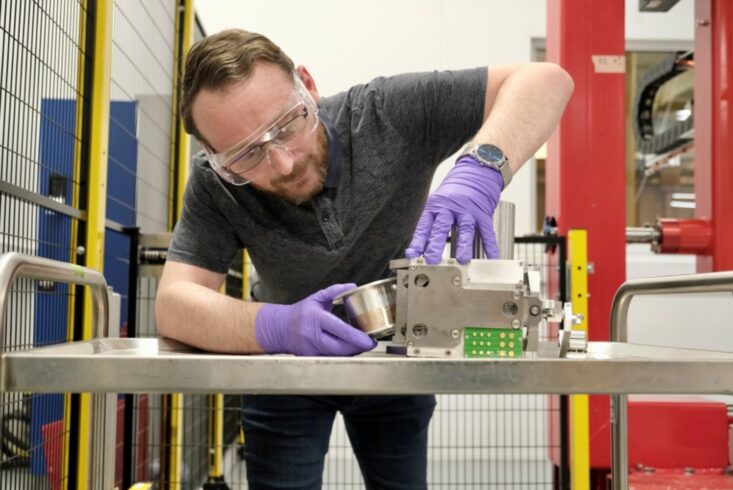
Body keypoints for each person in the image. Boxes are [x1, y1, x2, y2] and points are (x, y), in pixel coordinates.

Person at [156, 28, 573, 490]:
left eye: (287, 124)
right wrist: (277, 326)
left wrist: (481, 168)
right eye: (246, 155)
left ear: (307, 87)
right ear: (215, 158)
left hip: (394, 354)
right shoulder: (215, 185)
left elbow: (546, 80)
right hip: (283, 365)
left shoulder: (384, 114)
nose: (282, 163)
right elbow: (175, 304)